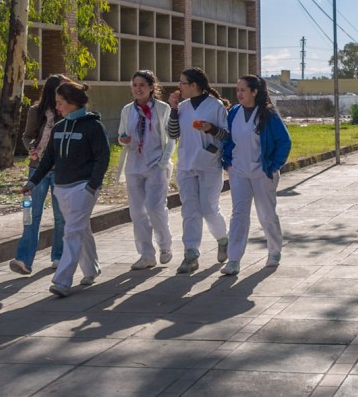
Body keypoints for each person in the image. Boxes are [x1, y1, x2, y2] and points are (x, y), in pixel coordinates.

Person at [23, 80, 110, 297]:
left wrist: (92, 185)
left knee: (71, 232)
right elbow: (48, 159)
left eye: (60, 103)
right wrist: (33, 182)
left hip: (83, 188)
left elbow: (103, 158)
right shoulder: (59, 128)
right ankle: (91, 269)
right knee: (80, 228)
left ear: (72, 103)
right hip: (61, 188)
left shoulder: (93, 127)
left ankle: (62, 280)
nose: (57, 107)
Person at [219, 75, 292, 276]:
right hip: (239, 171)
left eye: (243, 90)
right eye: (238, 90)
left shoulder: (268, 115)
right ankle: (233, 259)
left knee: (266, 213)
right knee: (239, 215)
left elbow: (284, 142)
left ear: (254, 91)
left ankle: (274, 251)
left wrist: (273, 166)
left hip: (263, 172)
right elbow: (227, 138)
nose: (239, 94)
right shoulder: (234, 112)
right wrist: (228, 163)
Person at [167, 68, 231, 274]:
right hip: (186, 164)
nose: (179, 87)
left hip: (209, 163)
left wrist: (210, 129)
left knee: (208, 208)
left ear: (194, 85)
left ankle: (223, 239)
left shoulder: (215, 106)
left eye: (182, 83)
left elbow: (228, 135)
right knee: (190, 210)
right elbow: (172, 133)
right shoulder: (182, 107)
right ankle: (191, 253)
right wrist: (174, 110)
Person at [11, 74, 70, 275]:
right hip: (37, 169)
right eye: (62, 89)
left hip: (61, 169)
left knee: (60, 216)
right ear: (52, 91)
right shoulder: (36, 111)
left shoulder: (68, 112)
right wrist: (32, 147)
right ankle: (24, 260)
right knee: (32, 214)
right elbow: (27, 136)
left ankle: (58, 257)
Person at [117, 70, 175, 271]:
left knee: (155, 207)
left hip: (155, 165)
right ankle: (146, 254)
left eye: (142, 85)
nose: (138, 89)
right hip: (134, 165)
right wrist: (122, 139)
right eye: (134, 85)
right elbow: (121, 134)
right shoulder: (127, 110)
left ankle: (165, 245)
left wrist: (162, 162)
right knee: (137, 211)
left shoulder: (162, 108)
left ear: (152, 88)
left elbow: (171, 138)